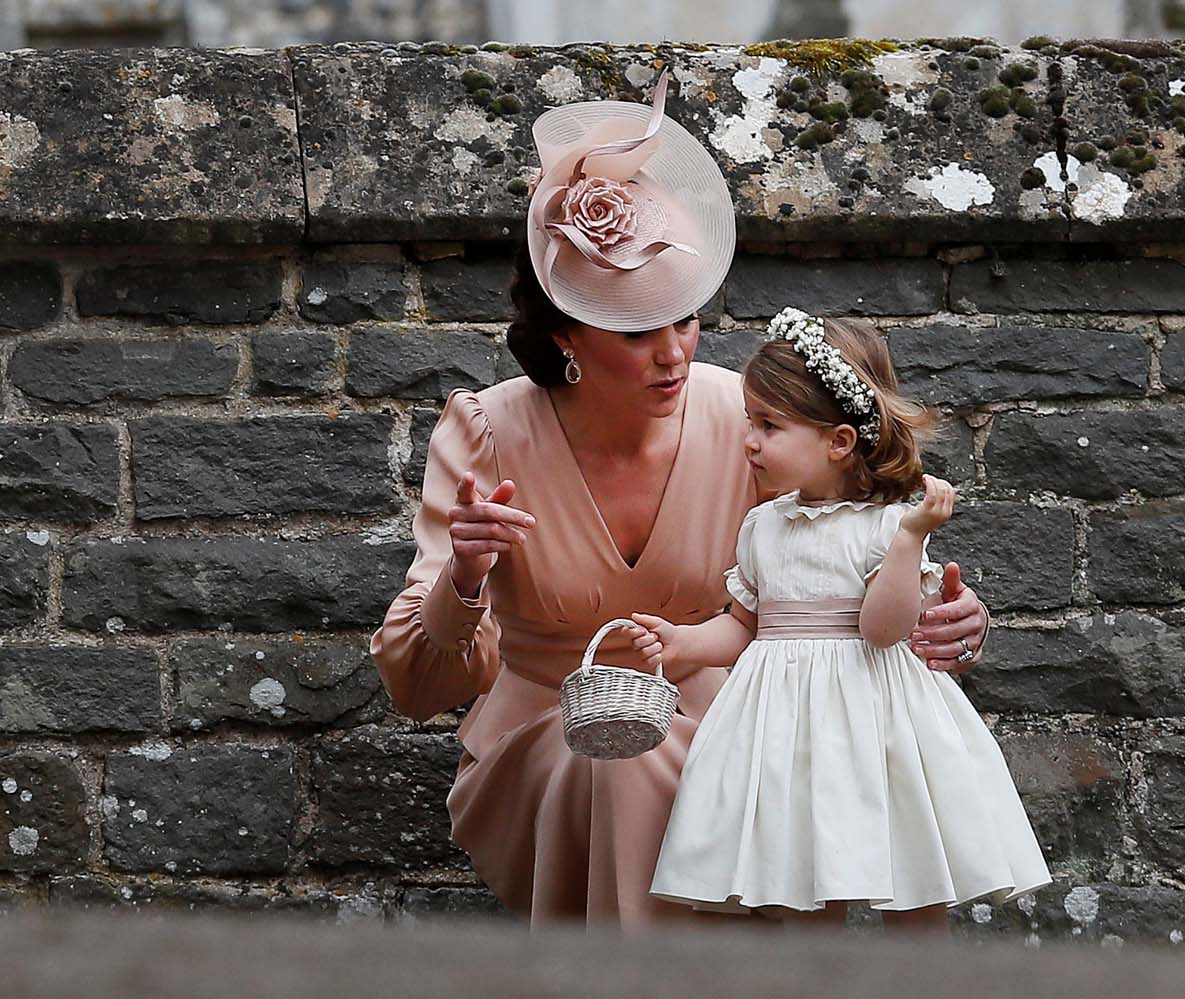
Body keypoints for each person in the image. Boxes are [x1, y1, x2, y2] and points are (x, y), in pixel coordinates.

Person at [369, 72, 994, 930]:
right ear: (565, 336)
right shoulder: (487, 433)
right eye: (637, 332)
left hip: (740, 726)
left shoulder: (749, 419)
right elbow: (417, 682)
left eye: (686, 319)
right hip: (551, 737)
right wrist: (467, 577)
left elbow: (862, 534)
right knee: (617, 761)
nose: (673, 353)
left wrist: (953, 613)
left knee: (713, 772)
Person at [634, 310, 1050, 929]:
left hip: (879, 722)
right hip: (787, 731)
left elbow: (883, 631)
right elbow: (744, 627)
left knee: (911, 879)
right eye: (751, 423)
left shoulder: (886, 527)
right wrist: (684, 644)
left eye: (770, 426)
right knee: (804, 879)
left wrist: (911, 539)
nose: (750, 440)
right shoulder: (761, 527)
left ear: (838, 442)